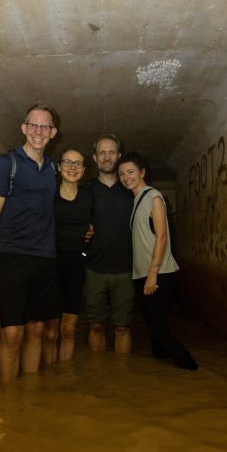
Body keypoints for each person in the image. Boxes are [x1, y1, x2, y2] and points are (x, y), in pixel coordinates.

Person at [0, 103, 62, 384]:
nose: (39, 131)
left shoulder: (53, 169)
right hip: (12, 257)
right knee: (12, 333)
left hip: (45, 259)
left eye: (45, 126)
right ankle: (6, 400)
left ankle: (28, 401)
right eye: (34, 125)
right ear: (24, 128)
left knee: (37, 329)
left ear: (53, 132)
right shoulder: (7, 164)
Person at [117, 152, 198, 370]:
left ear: (142, 172)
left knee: (160, 333)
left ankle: (192, 369)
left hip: (158, 274)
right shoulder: (136, 200)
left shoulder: (153, 196)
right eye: (122, 174)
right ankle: (161, 380)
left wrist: (152, 274)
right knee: (154, 333)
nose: (126, 177)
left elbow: (162, 236)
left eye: (131, 172)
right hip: (143, 275)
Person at [83, 134, 135, 353]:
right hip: (94, 270)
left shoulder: (132, 190)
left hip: (126, 270)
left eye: (111, 152)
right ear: (95, 158)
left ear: (119, 155)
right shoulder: (85, 191)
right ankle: (99, 379)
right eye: (102, 153)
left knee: (122, 327)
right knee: (96, 326)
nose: (107, 157)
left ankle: (121, 381)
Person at [53, 149, 93, 361]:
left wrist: (93, 229)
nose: (72, 167)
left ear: (84, 170)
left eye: (78, 163)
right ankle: (44, 385)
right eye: (67, 162)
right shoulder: (47, 194)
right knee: (49, 332)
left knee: (68, 330)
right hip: (49, 267)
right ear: (59, 167)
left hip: (76, 267)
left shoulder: (89, 196)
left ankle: (64, 382)